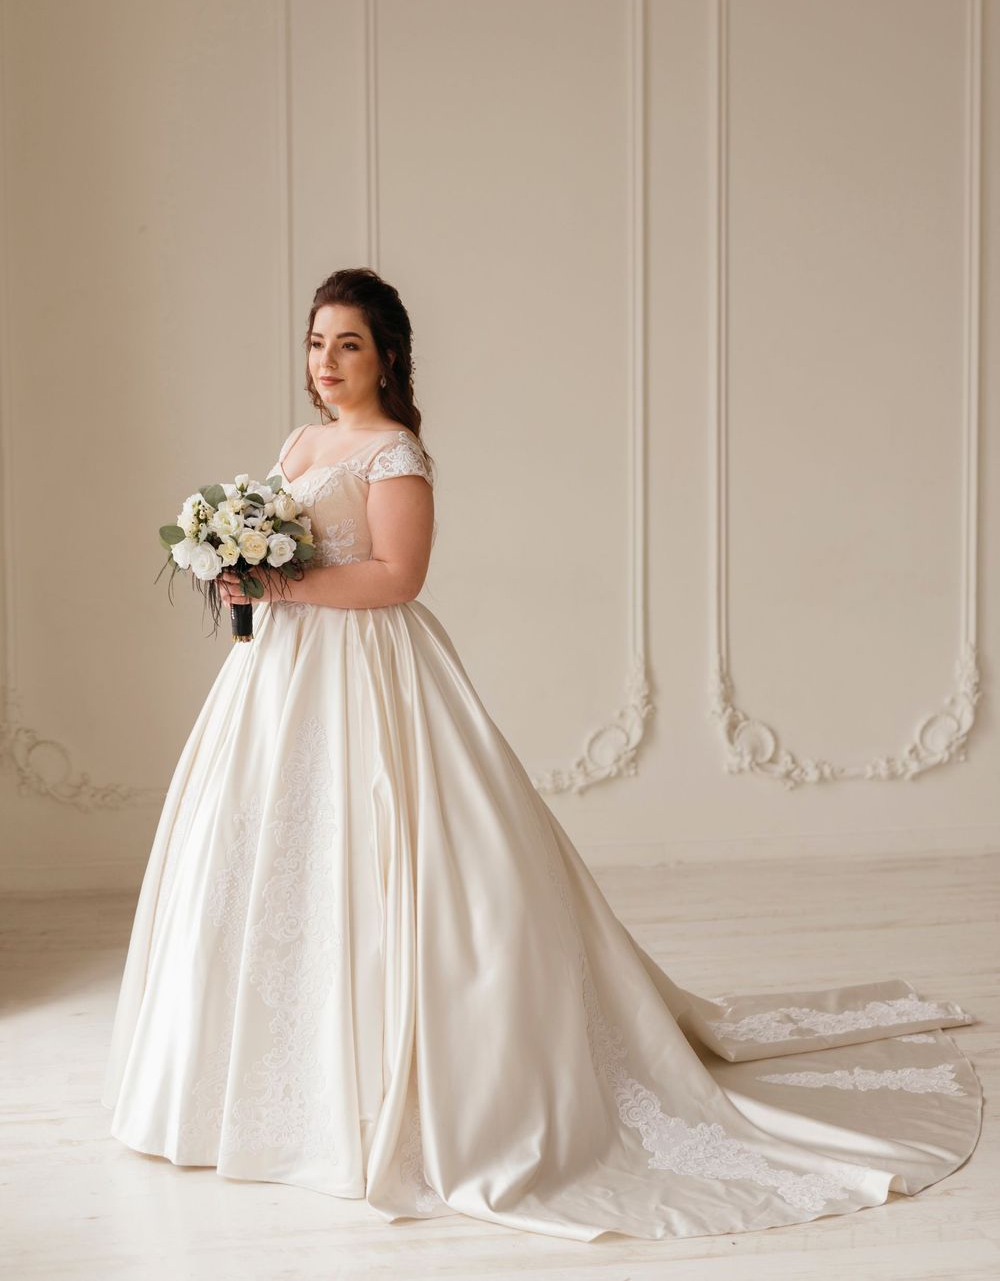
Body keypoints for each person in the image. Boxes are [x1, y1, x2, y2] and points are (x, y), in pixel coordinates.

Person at [102, 267, 981, 1243]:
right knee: (270, 860)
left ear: (386, 354)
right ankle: (265, 1093)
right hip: (281, 682)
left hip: (371, 675)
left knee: (409, 867)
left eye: (348, 344)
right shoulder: (301, 441)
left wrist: (284, 582)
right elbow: (289, 557)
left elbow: (398, 575)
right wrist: (239, 579)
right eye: (316, 343)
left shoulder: (395, 453)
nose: (328, 362)